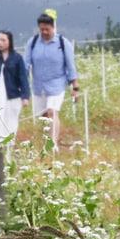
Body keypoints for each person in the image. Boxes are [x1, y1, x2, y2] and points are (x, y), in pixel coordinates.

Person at [26, 9, 79, 149]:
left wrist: (75, 86)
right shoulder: (33, 43)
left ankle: (53, 143)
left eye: (47, 29)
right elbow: (26, 64)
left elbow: (70, 66)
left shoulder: (62, 43)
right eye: (41, 29)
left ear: (53, 27)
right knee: (44, 116)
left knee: (52, 111)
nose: (44, 32)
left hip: (57, 84)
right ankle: (46, 142)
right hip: (38, 86)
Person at [0, 30, 30, 145]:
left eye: (3, 40)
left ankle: (8, 147)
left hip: (12, 96)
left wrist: (25, 96)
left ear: (9, 42)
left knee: (10, 122)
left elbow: (23, 78)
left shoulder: (17, 58)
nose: (0, 43)